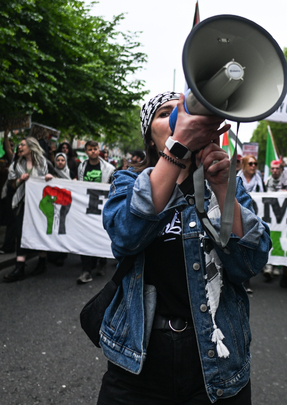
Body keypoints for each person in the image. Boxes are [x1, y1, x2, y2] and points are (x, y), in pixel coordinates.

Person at [97, 91, 271, 404]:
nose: (179, 118)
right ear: (150, 138)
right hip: (139, 363)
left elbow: (248, 264)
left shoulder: (226, 181)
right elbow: (125, 238)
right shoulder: (127, 181)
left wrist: (222, 188)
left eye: (184, 111)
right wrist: (177, 154)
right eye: (165, 114)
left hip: (216, 358)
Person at [3, 137, 51, 282]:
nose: (19, 146)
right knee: (20, 233)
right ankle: (20, 267)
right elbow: (10, 184)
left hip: (39, 205)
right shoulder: (16, 164)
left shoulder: (43, 163)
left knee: (39, 232)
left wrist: (49, 177)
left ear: (31, 147)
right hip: (22, 204)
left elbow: (54, 179)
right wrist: (19, 180)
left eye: (23, 144)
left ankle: (42, 263)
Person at [76, 140, 115, 284]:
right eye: (90, 149)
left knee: (100, 234)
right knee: (84, 237)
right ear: (86, 151)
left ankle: (101, 262)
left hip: (101, 208)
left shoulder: (109, 168)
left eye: (95, 148)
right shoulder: (81, 167)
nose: (93, 151)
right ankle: (86, 270)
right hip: (86, 208)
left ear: (99, 150)